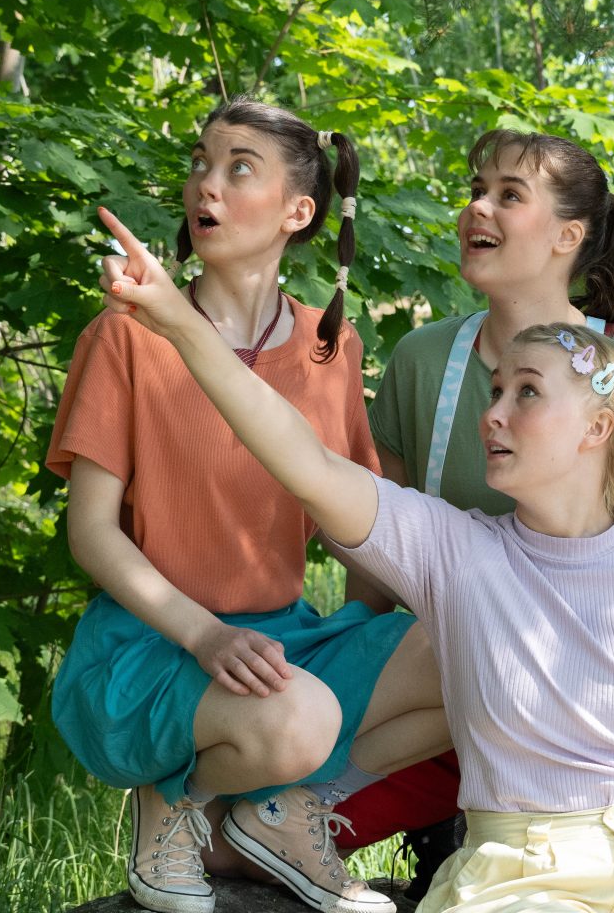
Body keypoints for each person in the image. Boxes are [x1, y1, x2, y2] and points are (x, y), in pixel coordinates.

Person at [94, 228, 614, 913]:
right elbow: (305, 461)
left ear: (598, 428)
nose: (494, 413)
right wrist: (178, 322)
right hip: (517, 877)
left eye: (527, 392)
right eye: (496, 390)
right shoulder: (455, 551)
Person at [46, 97, 449, 913]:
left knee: (479, 657)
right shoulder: (127, 334)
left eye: (239, 169)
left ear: (298, 212)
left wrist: (399, 627)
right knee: (297, 718)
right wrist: (204, 632)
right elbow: (89, 532)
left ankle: (277, 812)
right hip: (152, 646)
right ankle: (173, 804)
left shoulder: (329, 346)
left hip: (281, 641)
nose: (208, 187)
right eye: (201, 164)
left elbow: (350, 528)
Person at [338, 128, 614, 889]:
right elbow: (375, 585)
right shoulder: (421, 363)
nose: (478, 207)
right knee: (228, 839)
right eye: (477, 190)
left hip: (604, 724)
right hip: (445, 710)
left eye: (509, 195)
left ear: (568, 237)